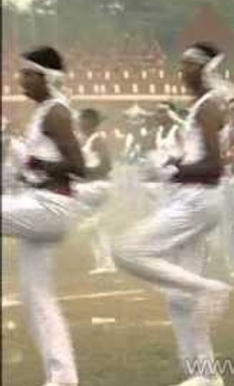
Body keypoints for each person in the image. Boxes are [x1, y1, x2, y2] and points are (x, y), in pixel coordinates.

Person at [112, 42, 231, 386]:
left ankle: (209, 288)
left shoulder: (208, 106)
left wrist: (171, 173)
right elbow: (200, 159)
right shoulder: (202, 106)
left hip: (196, 200)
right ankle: (207, 376)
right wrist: (173, 164)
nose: (182, 71)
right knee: (180, 299)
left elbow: (213, 165)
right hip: (193, 197)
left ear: (207, 69)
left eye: (189, 65)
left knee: (126, 250)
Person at [2, 45, 88, 386]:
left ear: (47, 78)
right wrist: (28, 169)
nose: (21, 78)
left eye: (27, 73)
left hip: (51, 207)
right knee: (37, 296)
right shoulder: (42, 114)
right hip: (42, 205)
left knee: (38, 295)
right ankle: (63, 378)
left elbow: (79, 166)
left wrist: (37, 165)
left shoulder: (56, 112)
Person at [73, 108, 116, 275]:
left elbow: (107, 165)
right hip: (91, 186)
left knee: (69, 195)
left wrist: (86, 173)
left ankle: (88, 219)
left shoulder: (97, 140)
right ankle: (105, 263)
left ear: (89, 122)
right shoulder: (86, 140)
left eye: (81, 120)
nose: (79, 123)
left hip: (98, 186)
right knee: (98, 230)